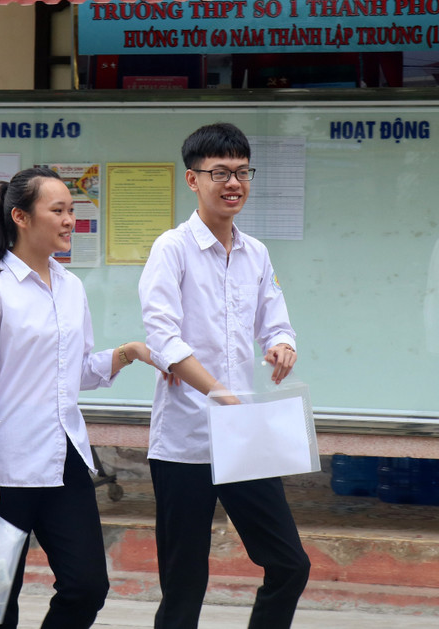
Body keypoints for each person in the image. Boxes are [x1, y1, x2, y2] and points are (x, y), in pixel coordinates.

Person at [0, 167, 154, 629]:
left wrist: (128, 353)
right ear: (22, 217)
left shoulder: (71, 287)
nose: (70, 220)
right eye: (59, 210)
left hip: (62, 459)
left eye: (73, 210)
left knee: (88, 586)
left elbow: (76, 371)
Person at [138, 122, 311, 629]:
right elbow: (164, 339)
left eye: (241, 172)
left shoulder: (256, 252)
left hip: (244, 437)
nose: (233, 183)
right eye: (220, 173)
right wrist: (217, 392)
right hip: (185, 440)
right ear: (193, 180)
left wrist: (282, 345)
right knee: (185, 581)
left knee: (289, 563)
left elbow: (275, 319)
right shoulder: (171, 249)